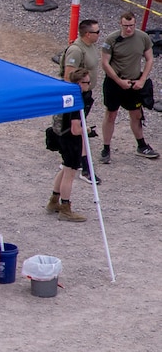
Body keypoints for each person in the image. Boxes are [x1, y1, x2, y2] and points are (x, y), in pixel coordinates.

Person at [49, 20, 101, 221]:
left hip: (63, 134)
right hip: (70, 138)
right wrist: (88, 132)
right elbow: (75, 128)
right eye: (86, 82)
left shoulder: (74, 99)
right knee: (71, 171)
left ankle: (54, 200)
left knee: (64, 168)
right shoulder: (77, 101)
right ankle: (65, 208)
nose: (89, 84)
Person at [99, 12, 157, 164]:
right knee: (111, 114)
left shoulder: (143, 37)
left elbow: (150, 59)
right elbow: (105, 63)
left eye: (131, 26)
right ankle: (106, 148)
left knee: (136, 114)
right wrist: (118, 81)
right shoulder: (111, 39)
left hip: (134, 83)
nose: (129, 29)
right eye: (126, 26)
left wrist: (142, 79)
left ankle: (141, 145)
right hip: (115, 83)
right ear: (121, 24)